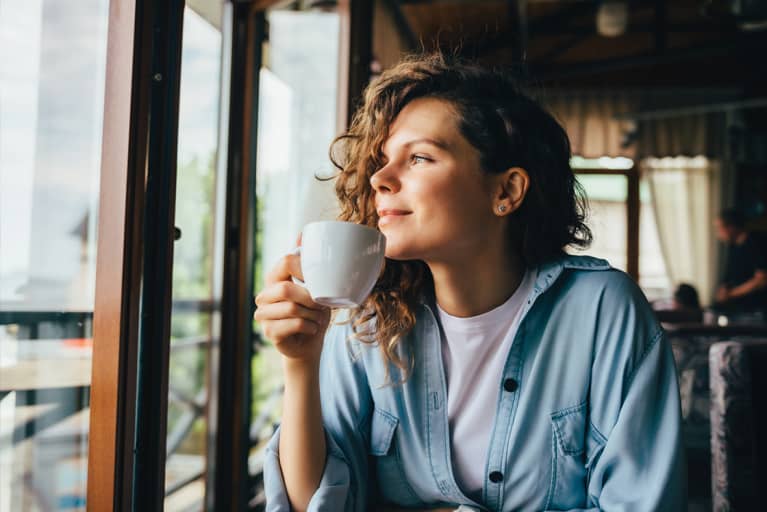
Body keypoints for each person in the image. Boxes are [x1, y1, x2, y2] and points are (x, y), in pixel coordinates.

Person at [255, 53, 685, 512]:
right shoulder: (368, 317)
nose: (380, 178)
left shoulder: (603, 310)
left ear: (506, 191)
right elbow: (312, 505)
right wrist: (300, 363)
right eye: (381, 161)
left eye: (419, 157)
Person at [714, 208, 767, 314]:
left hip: (757, 310)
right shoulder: (734, 247)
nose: (718, 233)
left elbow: (762, 280)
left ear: (731, 227)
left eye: (719, 228)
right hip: (741, 310)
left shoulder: (756, 243)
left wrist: (731, 294)